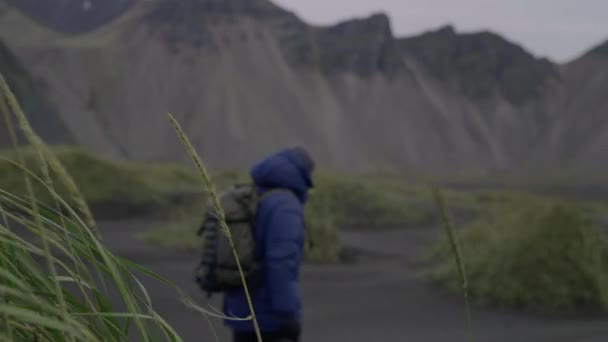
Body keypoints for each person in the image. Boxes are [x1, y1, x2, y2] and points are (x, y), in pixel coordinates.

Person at [223, 146, 315, 342]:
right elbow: (281, 262)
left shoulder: (252, 194)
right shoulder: (286, 205)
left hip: (240, 310)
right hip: (268, 317)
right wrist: (287, 314)